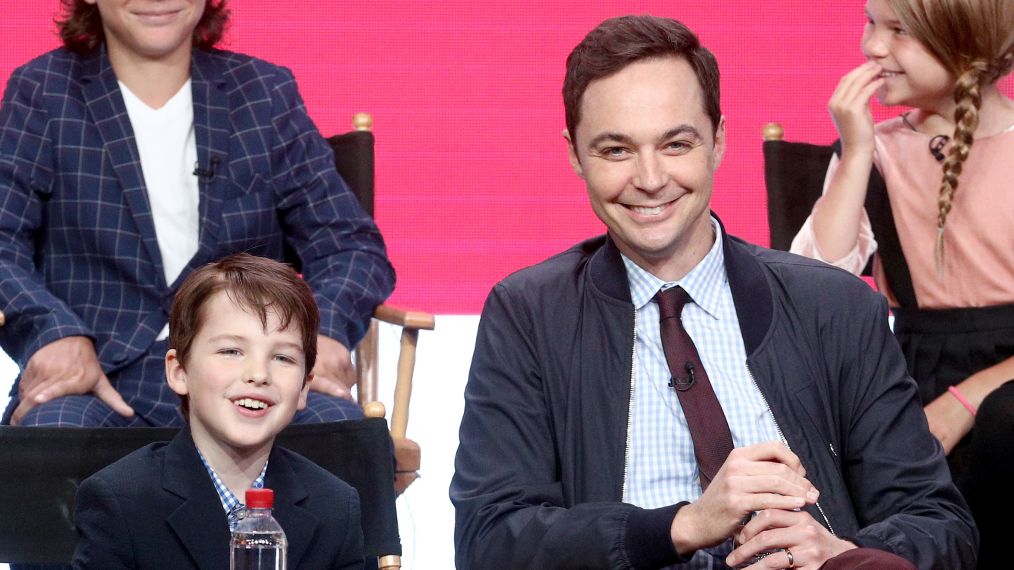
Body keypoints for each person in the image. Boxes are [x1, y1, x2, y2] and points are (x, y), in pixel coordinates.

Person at [451, 14, 976, 570]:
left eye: (676, 144)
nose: (651, 178)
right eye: (616, 151)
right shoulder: (529, 314)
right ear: (574, 155)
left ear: (719, 140)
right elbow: (490, 541)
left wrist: (841, 551)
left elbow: (940, 526)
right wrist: (683, 525)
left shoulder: (835, 306)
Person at [0, 0, 395, 428]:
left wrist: (323, 332)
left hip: (252, 373)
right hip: (99, 375)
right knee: (51, 437)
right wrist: (51, 334)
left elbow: (350, 248)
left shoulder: (264, 93)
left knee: (339, 437)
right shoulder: (42, 92)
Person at [789, 0, 1013, 565]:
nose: (871, 47)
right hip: (911, 365)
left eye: (898, 31)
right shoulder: (880, 151)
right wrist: (859, 148)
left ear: (964, 44)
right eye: (870, 23)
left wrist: (966, 400)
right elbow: (816, 284)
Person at [71, 253, 364, 569]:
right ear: (179, 371)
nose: (258, 374)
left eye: (283, 358)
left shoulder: (336, 506)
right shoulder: (120, 501)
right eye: (231, 351)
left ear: (305, 386)